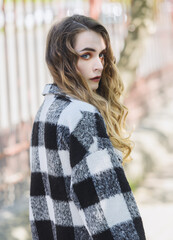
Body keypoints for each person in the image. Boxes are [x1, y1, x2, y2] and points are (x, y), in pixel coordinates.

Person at [29, 14, 146, 240]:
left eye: (101, 55)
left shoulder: (46, 111)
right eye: (86, 55)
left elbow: (41, 207)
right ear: (61, 60)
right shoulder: (82, 116)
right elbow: (112, 213)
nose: (98, 65)